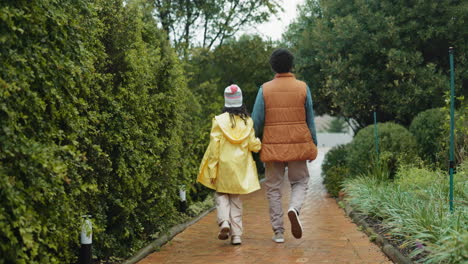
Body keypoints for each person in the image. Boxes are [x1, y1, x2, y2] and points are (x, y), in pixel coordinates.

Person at [252, 48, 318, 243]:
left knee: (273, 188)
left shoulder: (264, 89)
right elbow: (310, 120)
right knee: (300, 182)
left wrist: (252, 144)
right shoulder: (302, 87)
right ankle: (294, 208)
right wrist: (313, 144)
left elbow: (256, 121)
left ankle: (278, 232)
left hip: (273, 147)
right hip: (298, 144)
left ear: (273, 67)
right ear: (291, 65)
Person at [197, 84, 262, 246]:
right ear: (240, 101)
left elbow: (214, 148)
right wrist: (259, 143)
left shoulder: (219, 121)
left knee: (221, 195)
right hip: (240, 167)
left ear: (227, 102)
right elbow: (253, 145)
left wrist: (212, 169)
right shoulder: (248, 122)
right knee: (236, 199)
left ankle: (224, 221)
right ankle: (237, 236)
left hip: (224, 165)